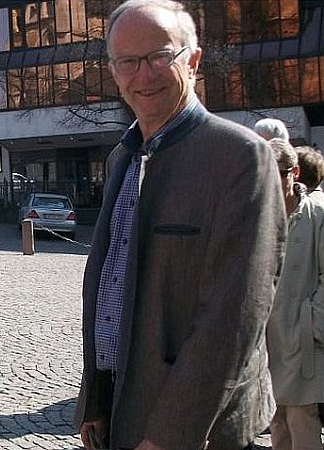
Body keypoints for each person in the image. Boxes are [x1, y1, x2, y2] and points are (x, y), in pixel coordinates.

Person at [73, 1, 286, 449]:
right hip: (121, 408)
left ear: (193, 60)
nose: (144, 75)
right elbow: (109, 285)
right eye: (128, 62)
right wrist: (96, 399)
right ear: (113, 72)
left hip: (198, 428)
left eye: (159, 56)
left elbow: (234, 315)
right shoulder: (122, 157)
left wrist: (169, 436)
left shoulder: (241, 158)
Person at [266, 138, 324, 450]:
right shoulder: (259, 214)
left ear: (295, 173)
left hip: (303, 339)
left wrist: (311, 322)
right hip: (268, 340)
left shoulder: (317, 213)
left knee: (303, 422)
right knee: (276, 423)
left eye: (279, 173)